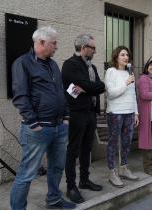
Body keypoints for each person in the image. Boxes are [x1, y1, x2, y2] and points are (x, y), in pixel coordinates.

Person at [10, 26, 75, 210]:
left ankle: (54, 200)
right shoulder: (22, 63)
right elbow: (20, 96)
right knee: (27, 174)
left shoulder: (53, 64)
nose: (56, 47)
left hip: (59, 127)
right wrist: (33, 122)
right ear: (41, 43)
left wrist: (66, 116)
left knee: (56, 168)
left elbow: (60, 92)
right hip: (38, 129)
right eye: (54, 43)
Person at [62, 34, 105, 204]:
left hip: (90, 112)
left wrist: (88, 88)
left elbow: (100, 86)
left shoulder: (92, 67)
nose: (95, 51)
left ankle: (84, 180)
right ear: (82, 47)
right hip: (76, 113)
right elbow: (87, 85)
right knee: (73, 150)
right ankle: (71, 186)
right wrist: (89, 87)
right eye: (92, 47)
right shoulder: (70, 65)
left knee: (87, 148)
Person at [104, 46, 139, 188]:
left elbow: (133, 95)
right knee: (113, 143)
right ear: (116, 57)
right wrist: (126, 83)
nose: (126, 57)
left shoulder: (130, 73)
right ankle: (112, 172)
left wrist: (136, 112)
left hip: (129, 112)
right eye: (122, 54)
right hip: (115, 112)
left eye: (127, 55)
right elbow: (111, 93)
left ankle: (123, 168)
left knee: (126, 142)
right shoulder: (110, 72)